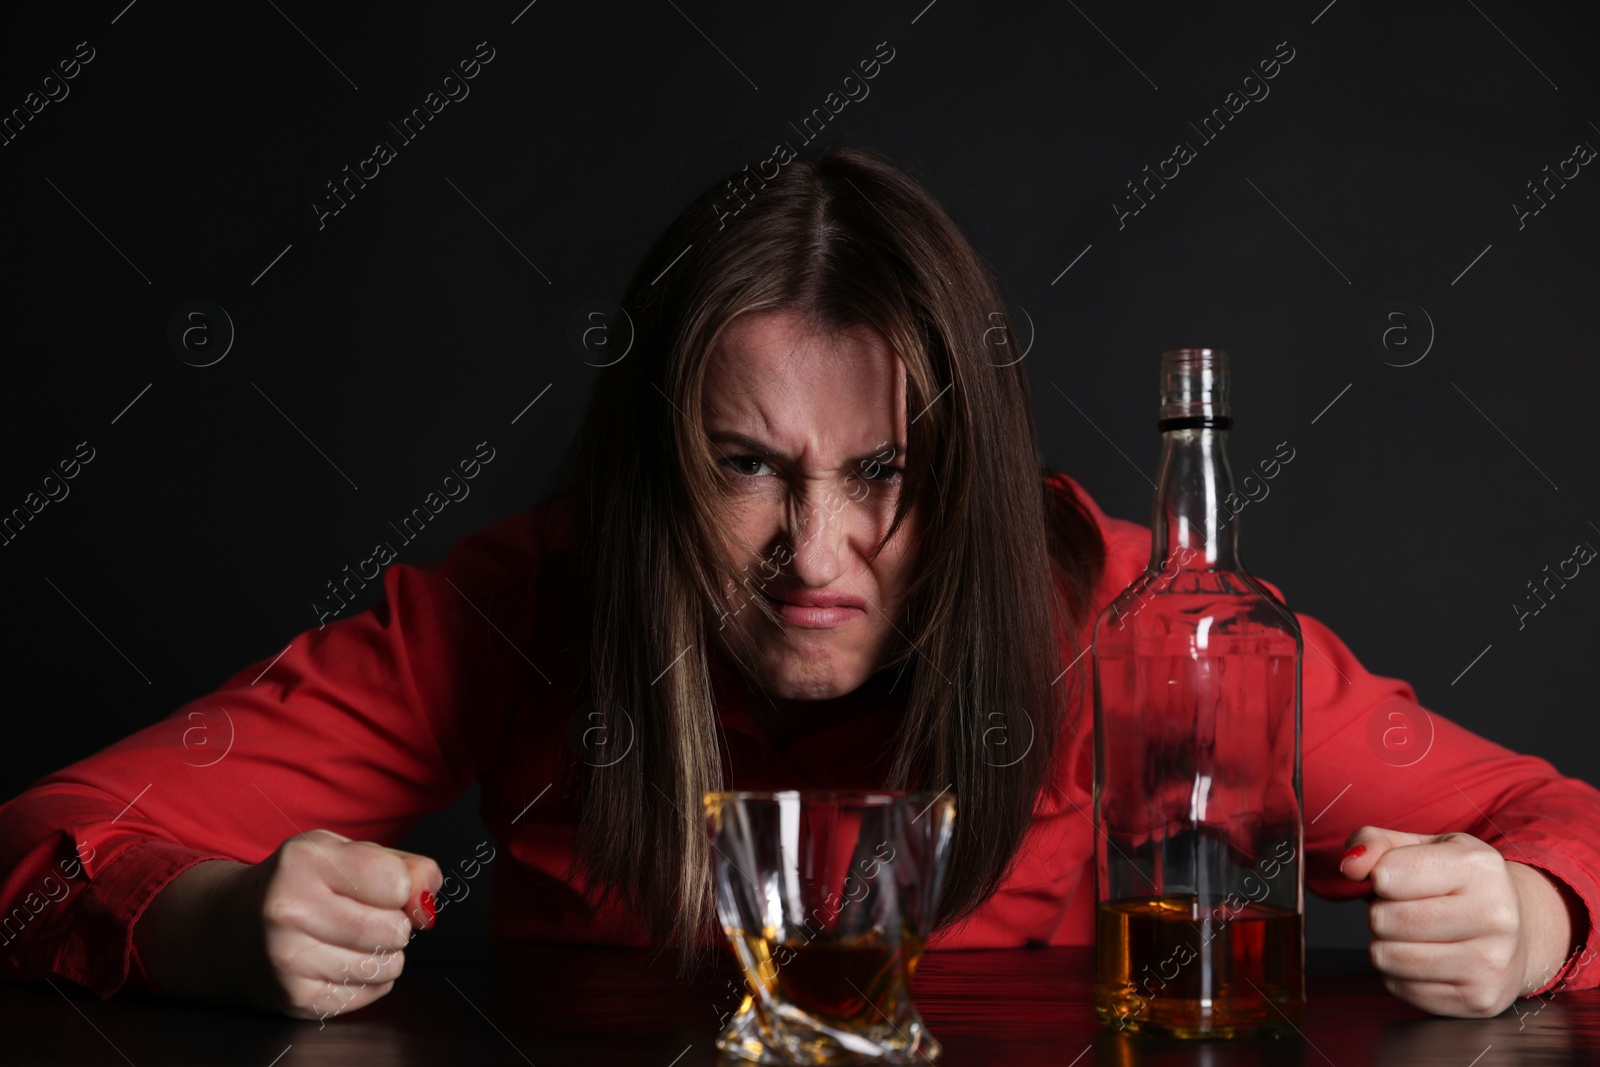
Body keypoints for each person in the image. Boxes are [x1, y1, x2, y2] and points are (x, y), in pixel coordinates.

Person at [1, 147, 1596, 1026]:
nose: (813, 558)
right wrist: (212, 924)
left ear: (960, 473)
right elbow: (46, 838)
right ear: (655, 466)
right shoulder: (520, 607)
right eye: (747, 467)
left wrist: (1527, 920)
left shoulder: (1141, 627)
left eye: (884, 476)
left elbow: (1568, 830)